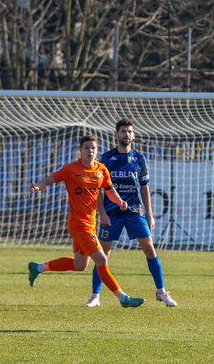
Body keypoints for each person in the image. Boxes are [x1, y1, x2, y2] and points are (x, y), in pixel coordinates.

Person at [27, 135, 144, 308]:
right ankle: (123, 298)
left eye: (93, 148)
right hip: (78, 224)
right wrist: (38, 185)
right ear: (80, 151)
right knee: (102, 260)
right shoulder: (70, 168)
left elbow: (109, 190)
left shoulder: (101, 169)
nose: (91, 151)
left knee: (79, 265)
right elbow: (51, 178)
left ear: (97, 151)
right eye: (87, 148)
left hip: (90, 223)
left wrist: (119, 201)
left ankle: (38, 268)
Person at [84, 119, 176, 308]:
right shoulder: (106, 159)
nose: (126, 134)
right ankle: (95, 296)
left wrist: (149, 213)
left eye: (129, 131)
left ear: (133, 135)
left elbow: (144, 187)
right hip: (112, 213)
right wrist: (102, 213)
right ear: (116, 135)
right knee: (103, 254)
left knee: (149, 248)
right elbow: (98, 189)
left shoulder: (139, 159)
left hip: (135, 212)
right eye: (123, 131)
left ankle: (161, 292)